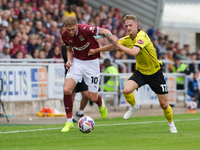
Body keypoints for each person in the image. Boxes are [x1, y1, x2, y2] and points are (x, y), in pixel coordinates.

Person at [88, 15, 178, 133]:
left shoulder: (142, 36)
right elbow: (113, 46)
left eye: (131, 25)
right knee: (126, 90)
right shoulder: (127, 39)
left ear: (137, 25)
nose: (128, 28)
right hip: (141, 71)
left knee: (164, 104)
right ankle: (135, 106)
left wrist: (118, 45)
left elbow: (134, 52)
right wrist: (96, 50)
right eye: (126, 26)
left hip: (155, 72)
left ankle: (171, 124)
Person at [61, 16, 116, 132]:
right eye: (68, 29)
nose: (71, 32)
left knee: (92, 97)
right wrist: (69, 60)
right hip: (77, 62)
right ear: (65, 27)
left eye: (73, 29)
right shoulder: (65, 35)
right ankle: (69, 122)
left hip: (92, 63)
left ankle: (100, 102)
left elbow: (104, 31)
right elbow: (69, 50)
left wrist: (112, 37)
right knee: (67, 90)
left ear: (77, 26)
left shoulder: (85, 29)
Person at [61, 44, 89, 123]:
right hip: (71, 74)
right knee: (71, 95)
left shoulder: (80, 43)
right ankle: (70, 117)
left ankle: (80, 112)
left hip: (81, 72)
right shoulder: (65, 46)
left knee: (86, 95)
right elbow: (67, 58)